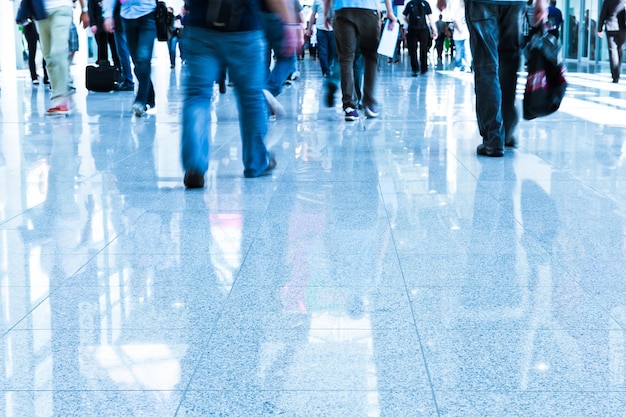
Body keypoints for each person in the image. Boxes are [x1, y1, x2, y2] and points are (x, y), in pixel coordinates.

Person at [179, 0, 302, 188]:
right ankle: (256, 163)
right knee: (251, 99)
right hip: (244, 29)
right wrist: (290, 23)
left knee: (198, 96)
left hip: (199, 27)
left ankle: (195, 163)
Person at [440, 0, 547, 156]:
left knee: (486, 66)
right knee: (509, 62)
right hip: (515, 3)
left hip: (482, 3)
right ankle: (507, 131)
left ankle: (493, 138)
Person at [324, 0, 397, 120]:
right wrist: (389, 11)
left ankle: (349, 107)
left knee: (346, 59)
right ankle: (368, 103)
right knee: (370, 57)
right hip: (367, 10)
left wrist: (326, 13)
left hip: (342, 10)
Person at [103, 0, 157, 117]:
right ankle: (150, 99)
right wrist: (108, 15)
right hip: (127, 17)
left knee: (143, 59)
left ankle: (141, 100)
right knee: (138, 62)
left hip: (147, 14)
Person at [36, 0, 90, 115]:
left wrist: (84, 10)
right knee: (48, 57)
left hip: (62, 8)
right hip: (40, 11)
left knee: (57, 52)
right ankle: (57, 98)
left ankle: (62, 98)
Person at [403, 0, 436, 76]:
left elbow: (404, 16)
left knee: (412, 50)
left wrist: (409, 22)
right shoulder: (425, 3)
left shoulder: (410, 3)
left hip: (412, 29)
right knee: (424, 49)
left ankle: (415, 69)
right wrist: (434, 30)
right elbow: (430, 18)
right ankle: (424, 68)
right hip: (423, 29)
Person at [598, 0, 626, 83]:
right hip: (622, 28)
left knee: (612, 51)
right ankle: (618, 72)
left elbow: (603, 14)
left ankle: (615, 76)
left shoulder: (608, 1)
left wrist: (600, 28)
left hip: (611, 27)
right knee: (620, 50)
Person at [306, 0, 335, 78]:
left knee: (332, 51)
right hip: (321, 28)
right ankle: (326, 71)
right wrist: (309, 28)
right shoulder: (317, 1)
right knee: (323, 51)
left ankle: (328, 67)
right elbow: (313, 14)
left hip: (333, 29)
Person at [88, 0, 121, 67]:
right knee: (102, 50)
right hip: (99, 23)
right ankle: (103, 70)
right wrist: (93, 23)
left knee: (116, 49)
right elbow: (91, 8)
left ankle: (119, 69)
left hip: (113, 22)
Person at [20, 18, 50, 85]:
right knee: (32, 51)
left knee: (46, 51)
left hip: (41, 26)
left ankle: (46, 76)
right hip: (30, 27)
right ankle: (34, 77)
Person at [452, 0, 470, 72]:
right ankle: (458, 65)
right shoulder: (457, 11)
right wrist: (459, 29)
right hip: (458, 36)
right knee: (459, 51)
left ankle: (467, 66)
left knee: (467, 51)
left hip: (467, 35)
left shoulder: (469, 10)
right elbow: (455, 21)